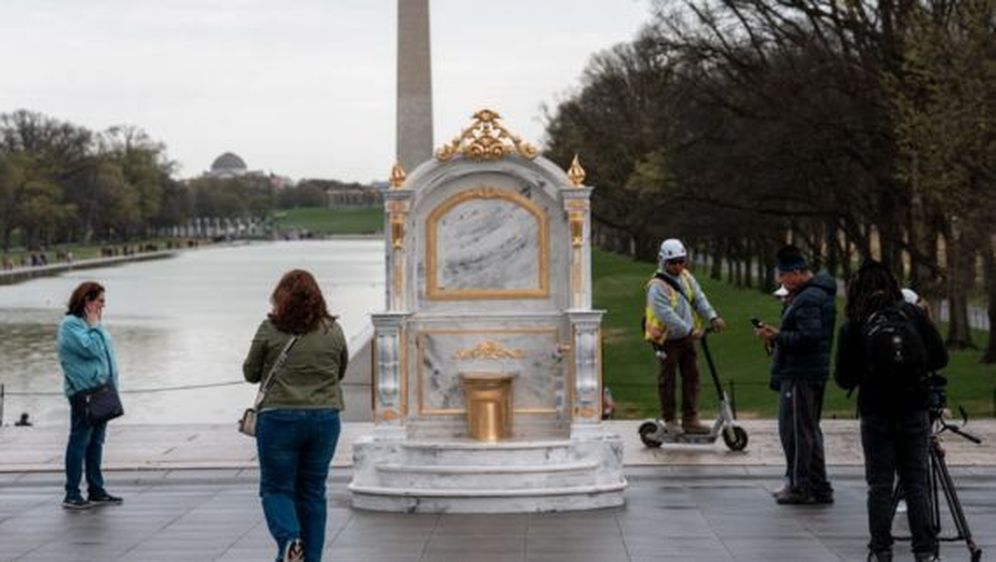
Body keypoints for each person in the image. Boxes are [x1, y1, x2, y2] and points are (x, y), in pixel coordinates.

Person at [834, 261, 948, 562]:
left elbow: (843, 377)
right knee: (916, 482)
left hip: (875, 409)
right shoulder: (912, 315)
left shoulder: (855, 323)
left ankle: (882, 548)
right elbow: (940, 357)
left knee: (879, 485)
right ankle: (924, 549)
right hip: (913, 406)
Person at [243, 269, 349, 562]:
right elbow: (340, 371)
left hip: (279, 418)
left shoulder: (269, 329)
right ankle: (309, 558)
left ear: (281, 298)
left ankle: (290, 539)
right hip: (325, 419)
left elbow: (250, 373)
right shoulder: (333, 330)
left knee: (276, 489)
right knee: (313, 491)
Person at [754, 244, 836, 505]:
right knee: (809, 429)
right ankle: (818, 485)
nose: (781, 281)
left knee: (796, 431)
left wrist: (777, 335)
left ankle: (800, 485)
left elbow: (809, 338)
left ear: (797, 273)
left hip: (801, 373)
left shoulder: (808, 299)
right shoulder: (813, 295)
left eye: (783, 275)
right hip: (808, 371)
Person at [644, 238, 726, 434]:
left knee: (692, 376)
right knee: (668, 379)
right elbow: (666, 315)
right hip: (666, 339)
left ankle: (690, 419)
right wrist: (689, 330)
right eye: (673, 262)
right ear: (663, 261)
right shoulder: (657, 286)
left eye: (681, 261)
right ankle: (670, 419)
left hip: (686, 338)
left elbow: (698, 298)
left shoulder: (686, 277)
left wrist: (712, 317)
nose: (678, 266)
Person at [57, 281, 123, 510]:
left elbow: (106, 355)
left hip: (102, 391)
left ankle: (96, 490)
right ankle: (72, 493)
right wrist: (95, 326)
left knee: (96, 442)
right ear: (87, 300)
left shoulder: (93, 324)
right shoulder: (70, 325)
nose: (103, 305)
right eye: (100, 301)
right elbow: (91, 349)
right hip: (84, 392)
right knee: (79, 440)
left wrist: (112, 383)